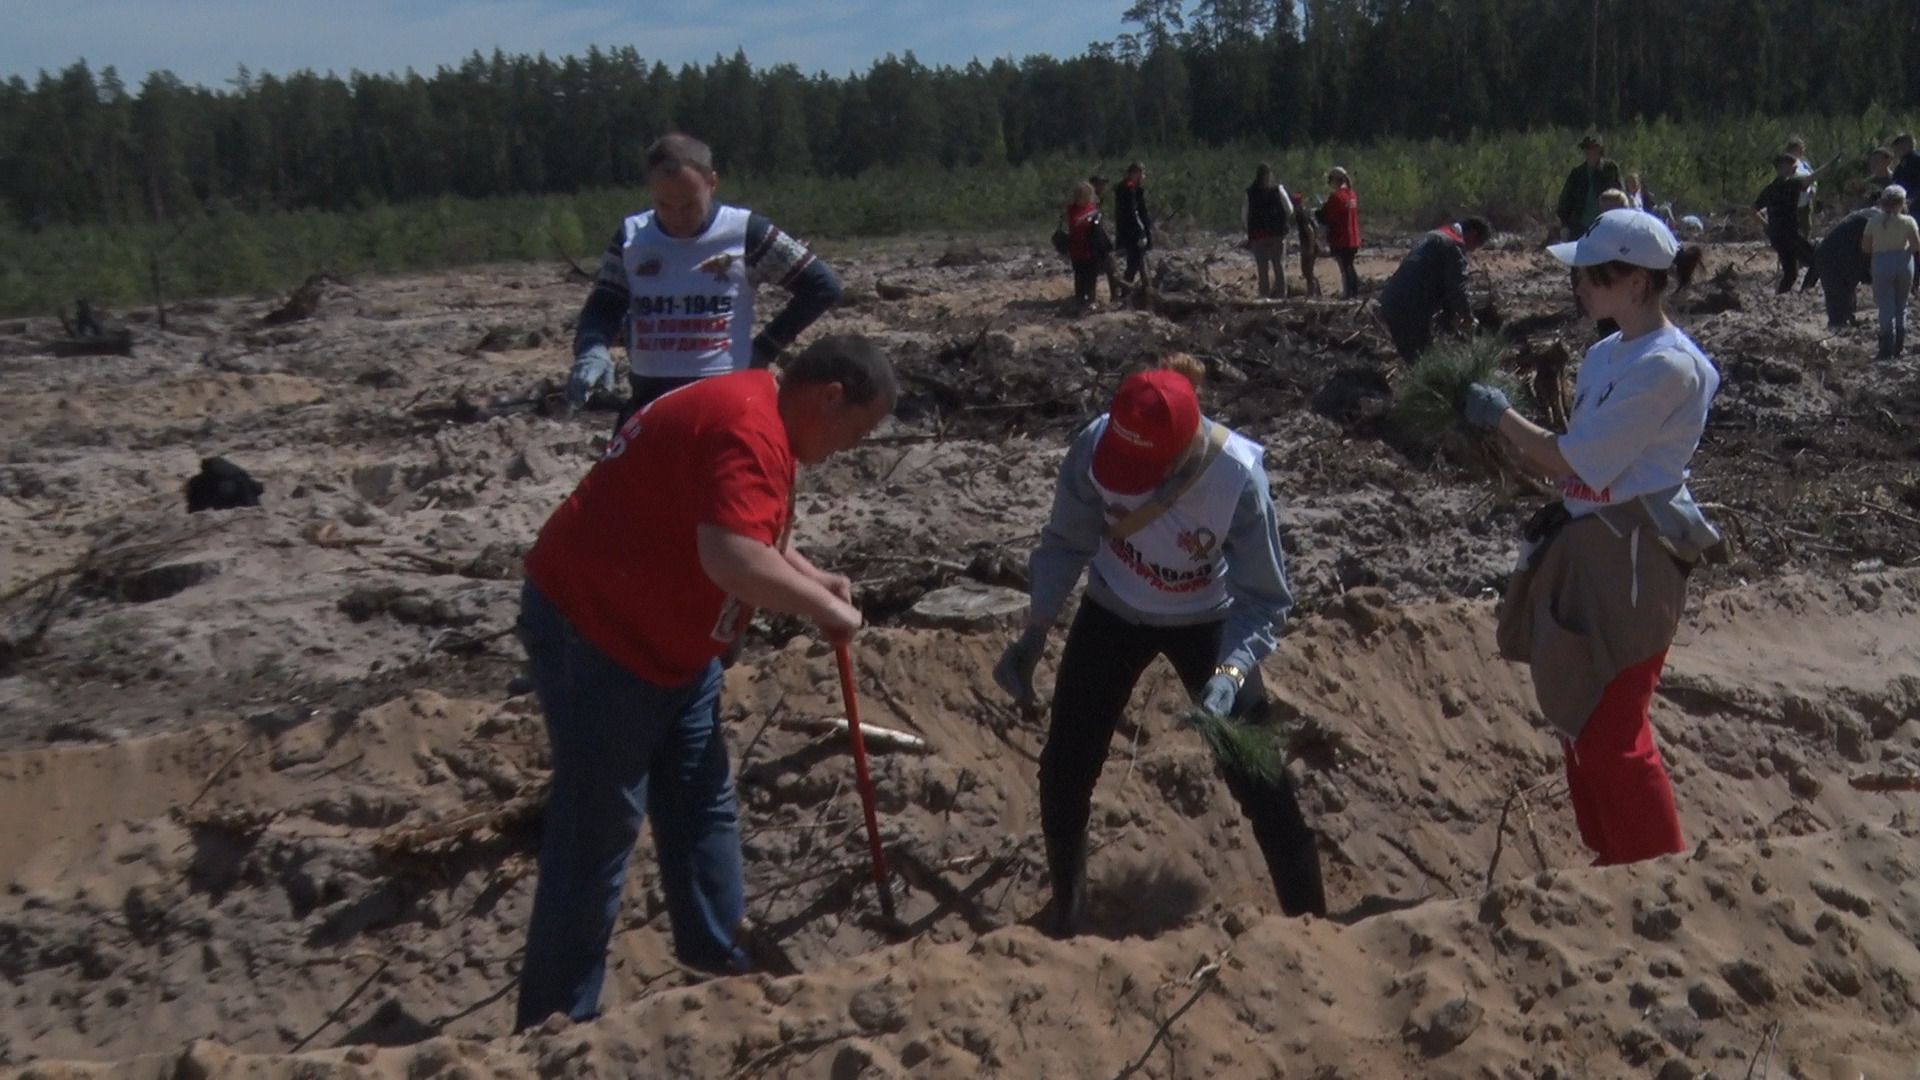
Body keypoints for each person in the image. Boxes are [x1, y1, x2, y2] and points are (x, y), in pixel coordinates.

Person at [514, 335, 898, 1030]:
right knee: (599, 826)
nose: (853, 446)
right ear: (830, 397)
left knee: (701, 797)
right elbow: (731, 555)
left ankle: (718, 963)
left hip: (672, 650)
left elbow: (747, 523)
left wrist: (813, 577)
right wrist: (823, 609)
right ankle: (555, 1025)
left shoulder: (760, 415)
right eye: (858, 430)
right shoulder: (747, 425)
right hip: (599, 633)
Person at [993, 355, 1325, 937]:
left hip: (1209, 622)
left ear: (1178, 458)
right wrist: (1037, 627)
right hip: (1113, 608)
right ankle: (1068, 910)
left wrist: (1230, 672)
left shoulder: (1236, 480)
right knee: (1066, 767)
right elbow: (1067, 540)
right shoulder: (1096, 444)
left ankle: (1312, 926)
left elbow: (1264, 598)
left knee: (1260, 779)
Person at [1460, 209, 1721, 868]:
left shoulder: (1670, 368)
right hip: (1588, 544)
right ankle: (1611, 858)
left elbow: (1572, 459)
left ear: (1636, 282)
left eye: (1591, 275)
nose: (1578, 286)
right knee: (1579, 715)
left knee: (1614, 729)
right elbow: (1571, 465)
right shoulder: (1607, 354)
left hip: (1634, 557)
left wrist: (1502, 417)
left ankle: (1659, 870)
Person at [566, 134, 842, 427]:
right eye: (664, 204)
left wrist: (765, 347)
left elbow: (822, 287)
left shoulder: (746, 232)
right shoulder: (632, 237)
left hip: (726, 403)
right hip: (650, 402)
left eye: (688, 205)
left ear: (712, 182)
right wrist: (592, 350)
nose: (676, 217)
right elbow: (605, 304)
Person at [1377, 217, 1491, 362]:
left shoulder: (1434, 236)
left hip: (1391, 300)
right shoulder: (1452, 245)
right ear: (1473, 234)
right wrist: (1468, 317)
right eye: (1477, 245)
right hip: (1410, 306)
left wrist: (1451, 314)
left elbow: (1439, 281)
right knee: (1424, 360)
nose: (1472, 250)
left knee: (1414, 356)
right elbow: (1457, 288)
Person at [1861, 184, 1920, 358]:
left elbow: (1866, 248)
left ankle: (1886, 347)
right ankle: (1899, 346)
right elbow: (1916, 246)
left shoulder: (1873, 221)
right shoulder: (1909, 221)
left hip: (1881, 263)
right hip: (1904, 262)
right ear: (1902, 203)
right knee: (1901, 305)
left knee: (1885, 306)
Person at [1753, 152, 1822, 294]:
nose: (1794, 168)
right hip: (1790, 234)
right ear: (1781, 168)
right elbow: (1812, 178)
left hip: (1776, 236)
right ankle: (1805, 292)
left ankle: (1780, 296)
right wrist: (1831, 165)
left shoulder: (1770, 188)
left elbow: (1753, 210)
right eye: (1791, 165)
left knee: (1791, 273)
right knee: (1817, 261)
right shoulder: (1790, 184)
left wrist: (1766, 224)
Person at [1814, 207, 1876, 328]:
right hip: (1831, 255)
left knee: (1846, 290)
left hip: (1837, 252)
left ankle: (1846, 320)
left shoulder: (1871, 216)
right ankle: (1837, 326)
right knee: (1837, 293)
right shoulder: (1874, 222)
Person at [1556, 134, 1625, 241]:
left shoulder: (1610, 169)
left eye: (1592, 148)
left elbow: (1620, 197)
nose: (1588, 151)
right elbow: (1565, 200)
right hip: (1580, 226)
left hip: (1605, 225)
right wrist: (1565, 225)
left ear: (1600, 149)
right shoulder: (1577, 173)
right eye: (1586, 148)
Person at [1242, 164, 1292, 298]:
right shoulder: (1278, 190)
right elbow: (1290, 209)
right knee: (1279, 266)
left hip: (1259, 235)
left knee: (1262, 268)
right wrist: (1282, 220)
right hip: (1277, 233)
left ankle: (1264, 296)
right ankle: (1281, 296)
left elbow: (1245, 215)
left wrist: (1250, 229)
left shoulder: (1250, 193)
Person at [1063, 180, 1114, 309]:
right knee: (1080, 274)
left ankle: (1091, 299)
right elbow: (1074, 223)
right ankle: (1079, 298)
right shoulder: (1072, 209)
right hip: (1077, 247)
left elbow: (1097, 226)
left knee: (1092, 274)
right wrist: (1086, 219)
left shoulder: (1091, 207)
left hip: (1091, 247)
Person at [1321, 167, 1362, 300]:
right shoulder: (1352, 194)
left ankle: (1348, 295)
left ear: (1335, 180)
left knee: (1345, 268)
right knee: (1350, 266)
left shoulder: (1336, 197)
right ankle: (1354, 293)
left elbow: (1326, 216)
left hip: (1342, 238)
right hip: (1354, 238)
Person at [1113, 163, 1154, 292]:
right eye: (1141, 173)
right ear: (1134, 173)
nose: (1143, 176)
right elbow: (1132, 213)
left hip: (1132, 231)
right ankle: (1126, 292)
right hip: (1132, 233)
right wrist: (1141, 232)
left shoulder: (1133, 188)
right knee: (1134, 263)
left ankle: (1147, 289)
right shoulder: (1128, 189)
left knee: (1140, 262)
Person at [1293, 192, 1323, 297]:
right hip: (1311, 243)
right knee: (1308, 271)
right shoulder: (1307, 212)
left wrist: (1311, 247)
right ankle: (1316, 292)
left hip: (1308, 245)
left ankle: (1312, 293)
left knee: (1307, 270)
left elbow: (1310, 231)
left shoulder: (1301, 214)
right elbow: (1316, 228)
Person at [1786, 135, 1816, 236]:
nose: (1802, 151)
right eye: (1800, 148)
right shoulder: (1786, 163)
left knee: (1806, 227)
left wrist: (1813, 188)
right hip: (1793, 201)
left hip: (1806, 199)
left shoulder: (1804, 162)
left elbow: (1812, 176)